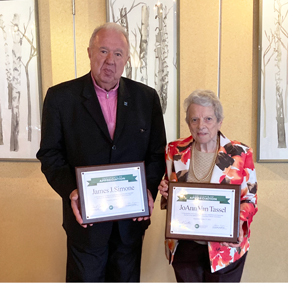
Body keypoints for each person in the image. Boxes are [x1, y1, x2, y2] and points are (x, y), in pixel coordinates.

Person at [36, 22, 166, 282]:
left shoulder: (146, 98)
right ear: (89, 53)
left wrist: (148, 190)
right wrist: (73, 191)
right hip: (85, 224)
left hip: (131, 223)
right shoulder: (61, 98)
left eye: (118, 54)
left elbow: (156, 153)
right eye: (103, 51)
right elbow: (50, 155)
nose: (110, 61)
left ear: (127, 59)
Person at [158, 89, 257, 282]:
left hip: (225, 248)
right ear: (188, 123)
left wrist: (236, 224)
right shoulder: (174, 150)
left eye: (208, 119)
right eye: (194, 120)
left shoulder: (240, 153)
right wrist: (166, 192)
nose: (201, 125)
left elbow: (250, 200)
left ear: (219, 122)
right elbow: (170, 196)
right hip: (185, 245)